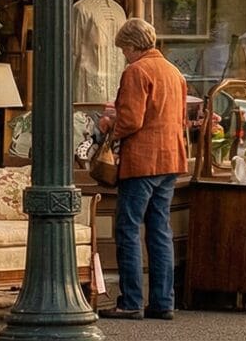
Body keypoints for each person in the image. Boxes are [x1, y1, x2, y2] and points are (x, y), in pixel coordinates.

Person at [100, 19, 188, 320]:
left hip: (142, 161)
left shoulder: (136, 71)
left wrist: (111, 123)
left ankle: (130, 301)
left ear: (132, 46)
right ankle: (163, 302)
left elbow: (131, 121)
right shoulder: (174, 72)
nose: (124, 54)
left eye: (124, 49)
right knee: (160, 230)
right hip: (170, 159)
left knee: (127, 228)